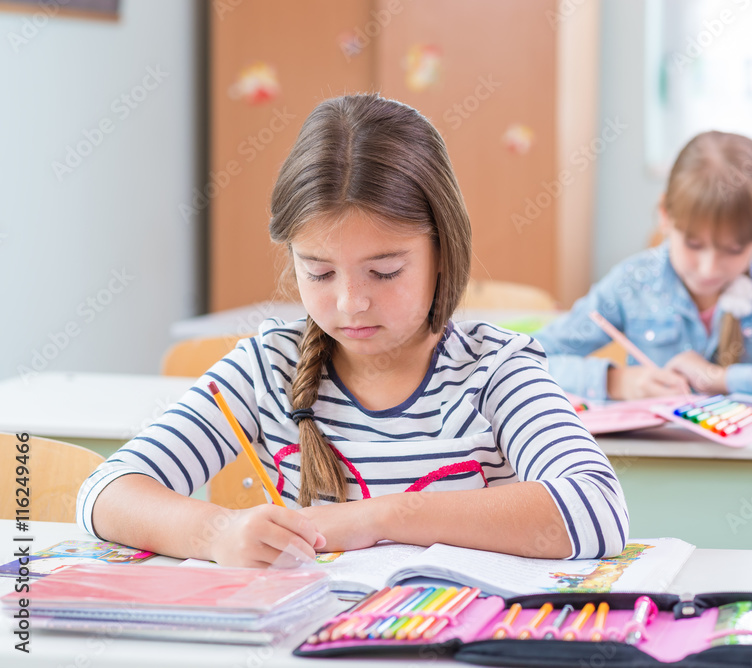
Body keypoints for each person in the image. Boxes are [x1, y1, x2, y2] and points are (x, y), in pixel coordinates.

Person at [78, 94, 628, 567]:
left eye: (384, 271)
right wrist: (217, 533)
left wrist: (380, 518)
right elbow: (106, 492)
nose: (350, 303)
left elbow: (598, 509)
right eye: (319, 272)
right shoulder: (269, 367)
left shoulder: (496, 369)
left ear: (443, 251)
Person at [533, 131, 752, 404]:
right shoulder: (632, 282)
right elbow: (527, 361)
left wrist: (722, 379)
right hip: (659, 462)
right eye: (694, 245)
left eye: (734, 250)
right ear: (665, 215)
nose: (709, 268)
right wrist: (615, 381)